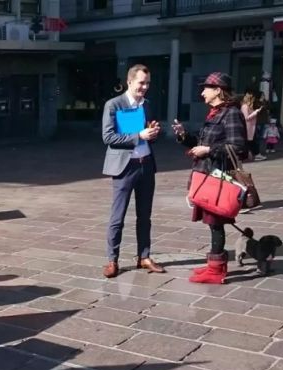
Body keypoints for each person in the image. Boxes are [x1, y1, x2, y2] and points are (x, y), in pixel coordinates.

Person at [171, 72, 247, 284]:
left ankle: (217, 270)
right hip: (206, 174)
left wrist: (209, 150)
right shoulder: (215, 113)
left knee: (216, 222)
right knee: (213, 223)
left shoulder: (231, 113)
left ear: (218, 90)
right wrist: (184, 136)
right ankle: (214, 266)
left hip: (219, 177)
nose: (202, 92)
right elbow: (201, 141)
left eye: (206, 88)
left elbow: (239, 148)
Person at [101, 64, 165, 278]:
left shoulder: (147, 105)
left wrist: (154, 133)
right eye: (141, 83)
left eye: (147, 83)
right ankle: (112, 260)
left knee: (145, 216)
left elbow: (149, 131)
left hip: (146, 164)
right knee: (117, 217)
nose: (144, 87)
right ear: (130, 82)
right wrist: (139, 136)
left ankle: (144, 256)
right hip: (124, 168)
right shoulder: (114, 105)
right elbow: (108, 138)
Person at [240, 92, 266, 161]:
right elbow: (246, 117)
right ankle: (255, 154)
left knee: (252, 141)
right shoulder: (244, 106)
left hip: (252, 127)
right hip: (248, 127)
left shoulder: (249, 106)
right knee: (251, 141)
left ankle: (254, 154)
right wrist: (255, 112)